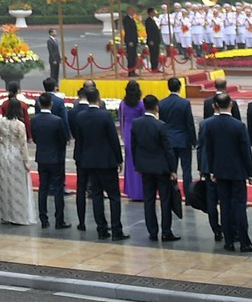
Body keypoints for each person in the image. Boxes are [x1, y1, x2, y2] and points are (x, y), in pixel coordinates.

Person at [197, 94, 252, 252]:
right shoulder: (238, 125)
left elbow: (208, 150)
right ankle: (244, 242)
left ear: (215, 105)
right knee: (239, 206)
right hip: (237, 171)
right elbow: (245, 151)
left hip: (219, 171)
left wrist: (210, 170)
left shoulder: (209, 124)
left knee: (224, 206)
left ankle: (228, 241)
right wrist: (250, 173)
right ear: (231, 105)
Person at [69, 83, 126, 240]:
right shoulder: (105, 115)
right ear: (99, 99)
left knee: (97, 195)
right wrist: (119, 159)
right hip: (106, 161)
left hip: (89, 160)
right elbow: (113, 139)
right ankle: (116, 229)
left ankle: (101, 229)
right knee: (114, 196)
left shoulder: (80, 116)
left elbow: (79, 139)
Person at [129, 94, 179, 241]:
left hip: (145, 167)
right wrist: (173, 170)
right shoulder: (161, 125)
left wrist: (137, 165)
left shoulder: (136, 124)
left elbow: (134, 147)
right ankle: (166, 231)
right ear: (156, 107)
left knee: (149, 200)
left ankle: (152, 231)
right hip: (161, 168)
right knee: (165, 200)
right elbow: (168, 149)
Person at [30, 91, 70, 228]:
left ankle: (44, 219)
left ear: (40, 104)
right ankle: (59, 220)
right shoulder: (57, 121)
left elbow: (35, 138)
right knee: (58, 190)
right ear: (51, 104)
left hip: (42, 157)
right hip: (56, 158)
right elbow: (63, 140)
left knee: (43, 188)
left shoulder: (34, 120)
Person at [0, 98, 32, 225]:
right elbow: (23, 145)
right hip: (16, 154)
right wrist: (26, 161)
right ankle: (18, 215)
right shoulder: (19, 125)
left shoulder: (1, 122)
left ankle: (6, 215)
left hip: (4, 154)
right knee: (17, 184)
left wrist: (5, 142)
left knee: (5, 183)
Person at [158, 76, 197, 193]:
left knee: (171, 169)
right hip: (183, 140)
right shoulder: (184, 103)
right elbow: (189, 123)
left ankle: (173, 194)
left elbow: (162, 123)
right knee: (186, 169)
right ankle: (189, 196)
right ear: (179, 87)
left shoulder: (162, 103)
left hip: (169, 140)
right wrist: (194, 140)